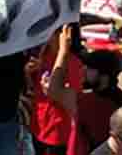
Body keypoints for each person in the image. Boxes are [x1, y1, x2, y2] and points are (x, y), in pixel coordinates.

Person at [29, 24, 83, 155]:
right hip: (38, 127)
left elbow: (69, 97)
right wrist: (27, 73)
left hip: (57, 133)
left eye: (52, 31)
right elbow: (32, 89)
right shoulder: (43, 56)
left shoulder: (73, 63)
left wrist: (63, 51)